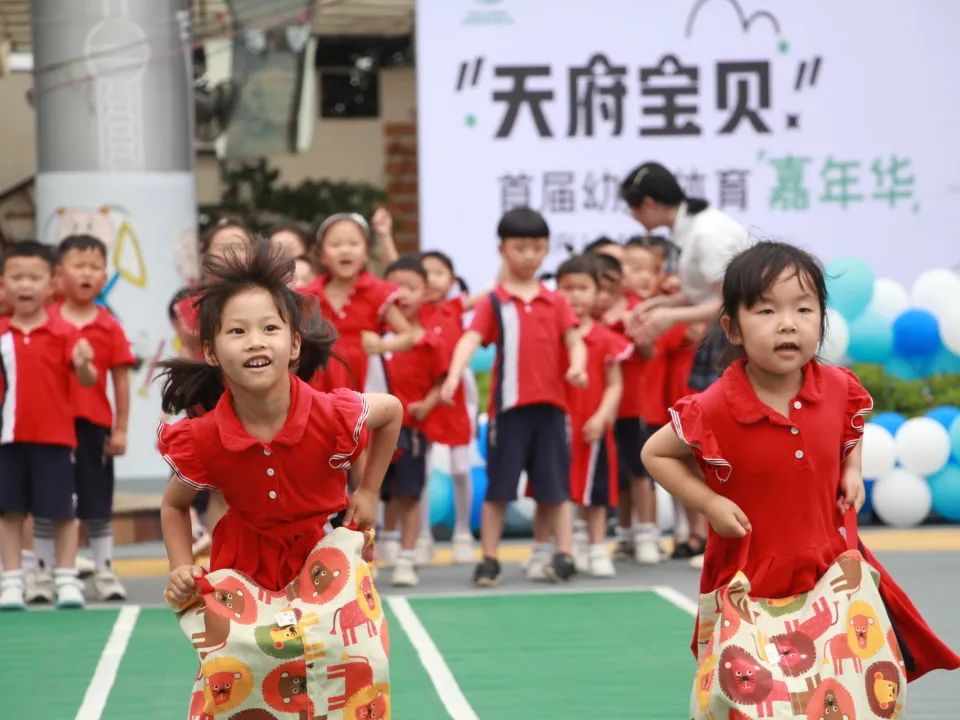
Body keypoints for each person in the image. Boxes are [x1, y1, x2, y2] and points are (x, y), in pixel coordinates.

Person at [642, 240, 960, 687]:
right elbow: (655, 453)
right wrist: (710, 504)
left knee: (843, 685)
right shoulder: (713, 406)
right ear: (733, 329)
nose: (787, 325)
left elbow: (852, 427)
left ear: (822, 322)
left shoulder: (837, 387)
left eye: (804, 310)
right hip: (751, 579)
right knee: (754, 693)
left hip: (831, 571)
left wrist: (851, 469)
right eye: (767, 311)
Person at [158, 241, 402, 605]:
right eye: (237, 332)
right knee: (245, 664)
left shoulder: (329, 412)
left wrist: (367, 492)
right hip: (242, 578)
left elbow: (392, 411)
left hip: (325, 562)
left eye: (270, 328)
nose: (255, 342)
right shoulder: (205, 436)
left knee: (343, 660)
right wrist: (181, 567)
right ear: (211, 351)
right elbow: (173, 505)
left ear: (294, 345)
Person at [440, 207, 587, 587]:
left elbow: (575, 340)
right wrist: (455, 374)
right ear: (502, 249)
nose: (529, 256)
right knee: (500, 489)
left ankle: (562, 553)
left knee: (554, 489)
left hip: (552, 410)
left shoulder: (557, 302)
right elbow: (470, 338)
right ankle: (488, 559)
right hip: (509, 412)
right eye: (520, 247)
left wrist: (578, 366)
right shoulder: (494, 302)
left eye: (537, 248)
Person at [622, 162, 749, 569]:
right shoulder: (690, 229)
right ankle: (717, 534)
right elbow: (699, 294)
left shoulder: (707, 233)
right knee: (709, 440)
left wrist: (668, 318)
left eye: (635, 209)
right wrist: (659, 304)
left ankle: (733, 535)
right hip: (723, 336)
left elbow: (729, 301)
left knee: (724, 441)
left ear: (650, 204)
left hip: (734, 339)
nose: (636, 219)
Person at [32, 235, 135, 603]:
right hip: (51, 429)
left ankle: (105, 569)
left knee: (96, 500)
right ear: (59, 274)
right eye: (79, 266)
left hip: (94, 426)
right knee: (50, 500)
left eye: (95, 267)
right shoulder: (47, 321)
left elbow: (121, 381)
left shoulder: (109, 326)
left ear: (105, 275)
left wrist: (120, 428)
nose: (87, 273)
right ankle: (43, 573)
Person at [0, 241, 98, 610]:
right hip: (7, 438)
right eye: (17, 277)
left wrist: (85, 363)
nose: (26, 285)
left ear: (51, 283)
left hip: (56, 438)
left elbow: (87, 380)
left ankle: (66, 578)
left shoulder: (64, 333)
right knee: (9, 511)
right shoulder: (2, 333)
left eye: (34, 277)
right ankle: (11, 580)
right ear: (4, 284)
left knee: (61, 511)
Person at [375, 255, 447, 587]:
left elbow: (440, 381)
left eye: (411, 287)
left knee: (410, 492)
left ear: (426, 293)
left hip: (412, 427)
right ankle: (380, 545)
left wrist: (427, 403)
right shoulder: (375, 338)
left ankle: (406, 555)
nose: (402, 293)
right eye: (395, 286)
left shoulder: (428, 340)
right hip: (374, 429)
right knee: (375, 489)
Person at [556, 255, 630, 577]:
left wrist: (602, 417)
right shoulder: (553, 338)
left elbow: (615, 384)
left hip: (593, 427)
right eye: (567, 288)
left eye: (582, 288)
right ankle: (555, 548)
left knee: (596, 491)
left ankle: (597, 547)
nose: (574, 295)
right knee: (556, 491)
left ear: (597, 293)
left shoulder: (606, 338)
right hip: (558, 426)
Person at [299, 213, 413, 392]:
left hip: (365, 382)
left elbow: (408, 336)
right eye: (335, 244)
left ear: (366, 253)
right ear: (322, 256)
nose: (345, 250)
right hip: (316, 380)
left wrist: (382, 345)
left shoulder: (377, 291)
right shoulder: (307, 295)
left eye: (353, 244)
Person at [418, 250, 480, 565]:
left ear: (452, 280)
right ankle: (423, 536)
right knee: (422, 470)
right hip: (424, 391)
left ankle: (462, 534)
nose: (431, 279)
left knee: (459, 468)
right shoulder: (411, 311)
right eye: (424, 273)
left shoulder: (456, 306)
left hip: (456, 393)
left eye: (439, 273)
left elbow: (491, 294)